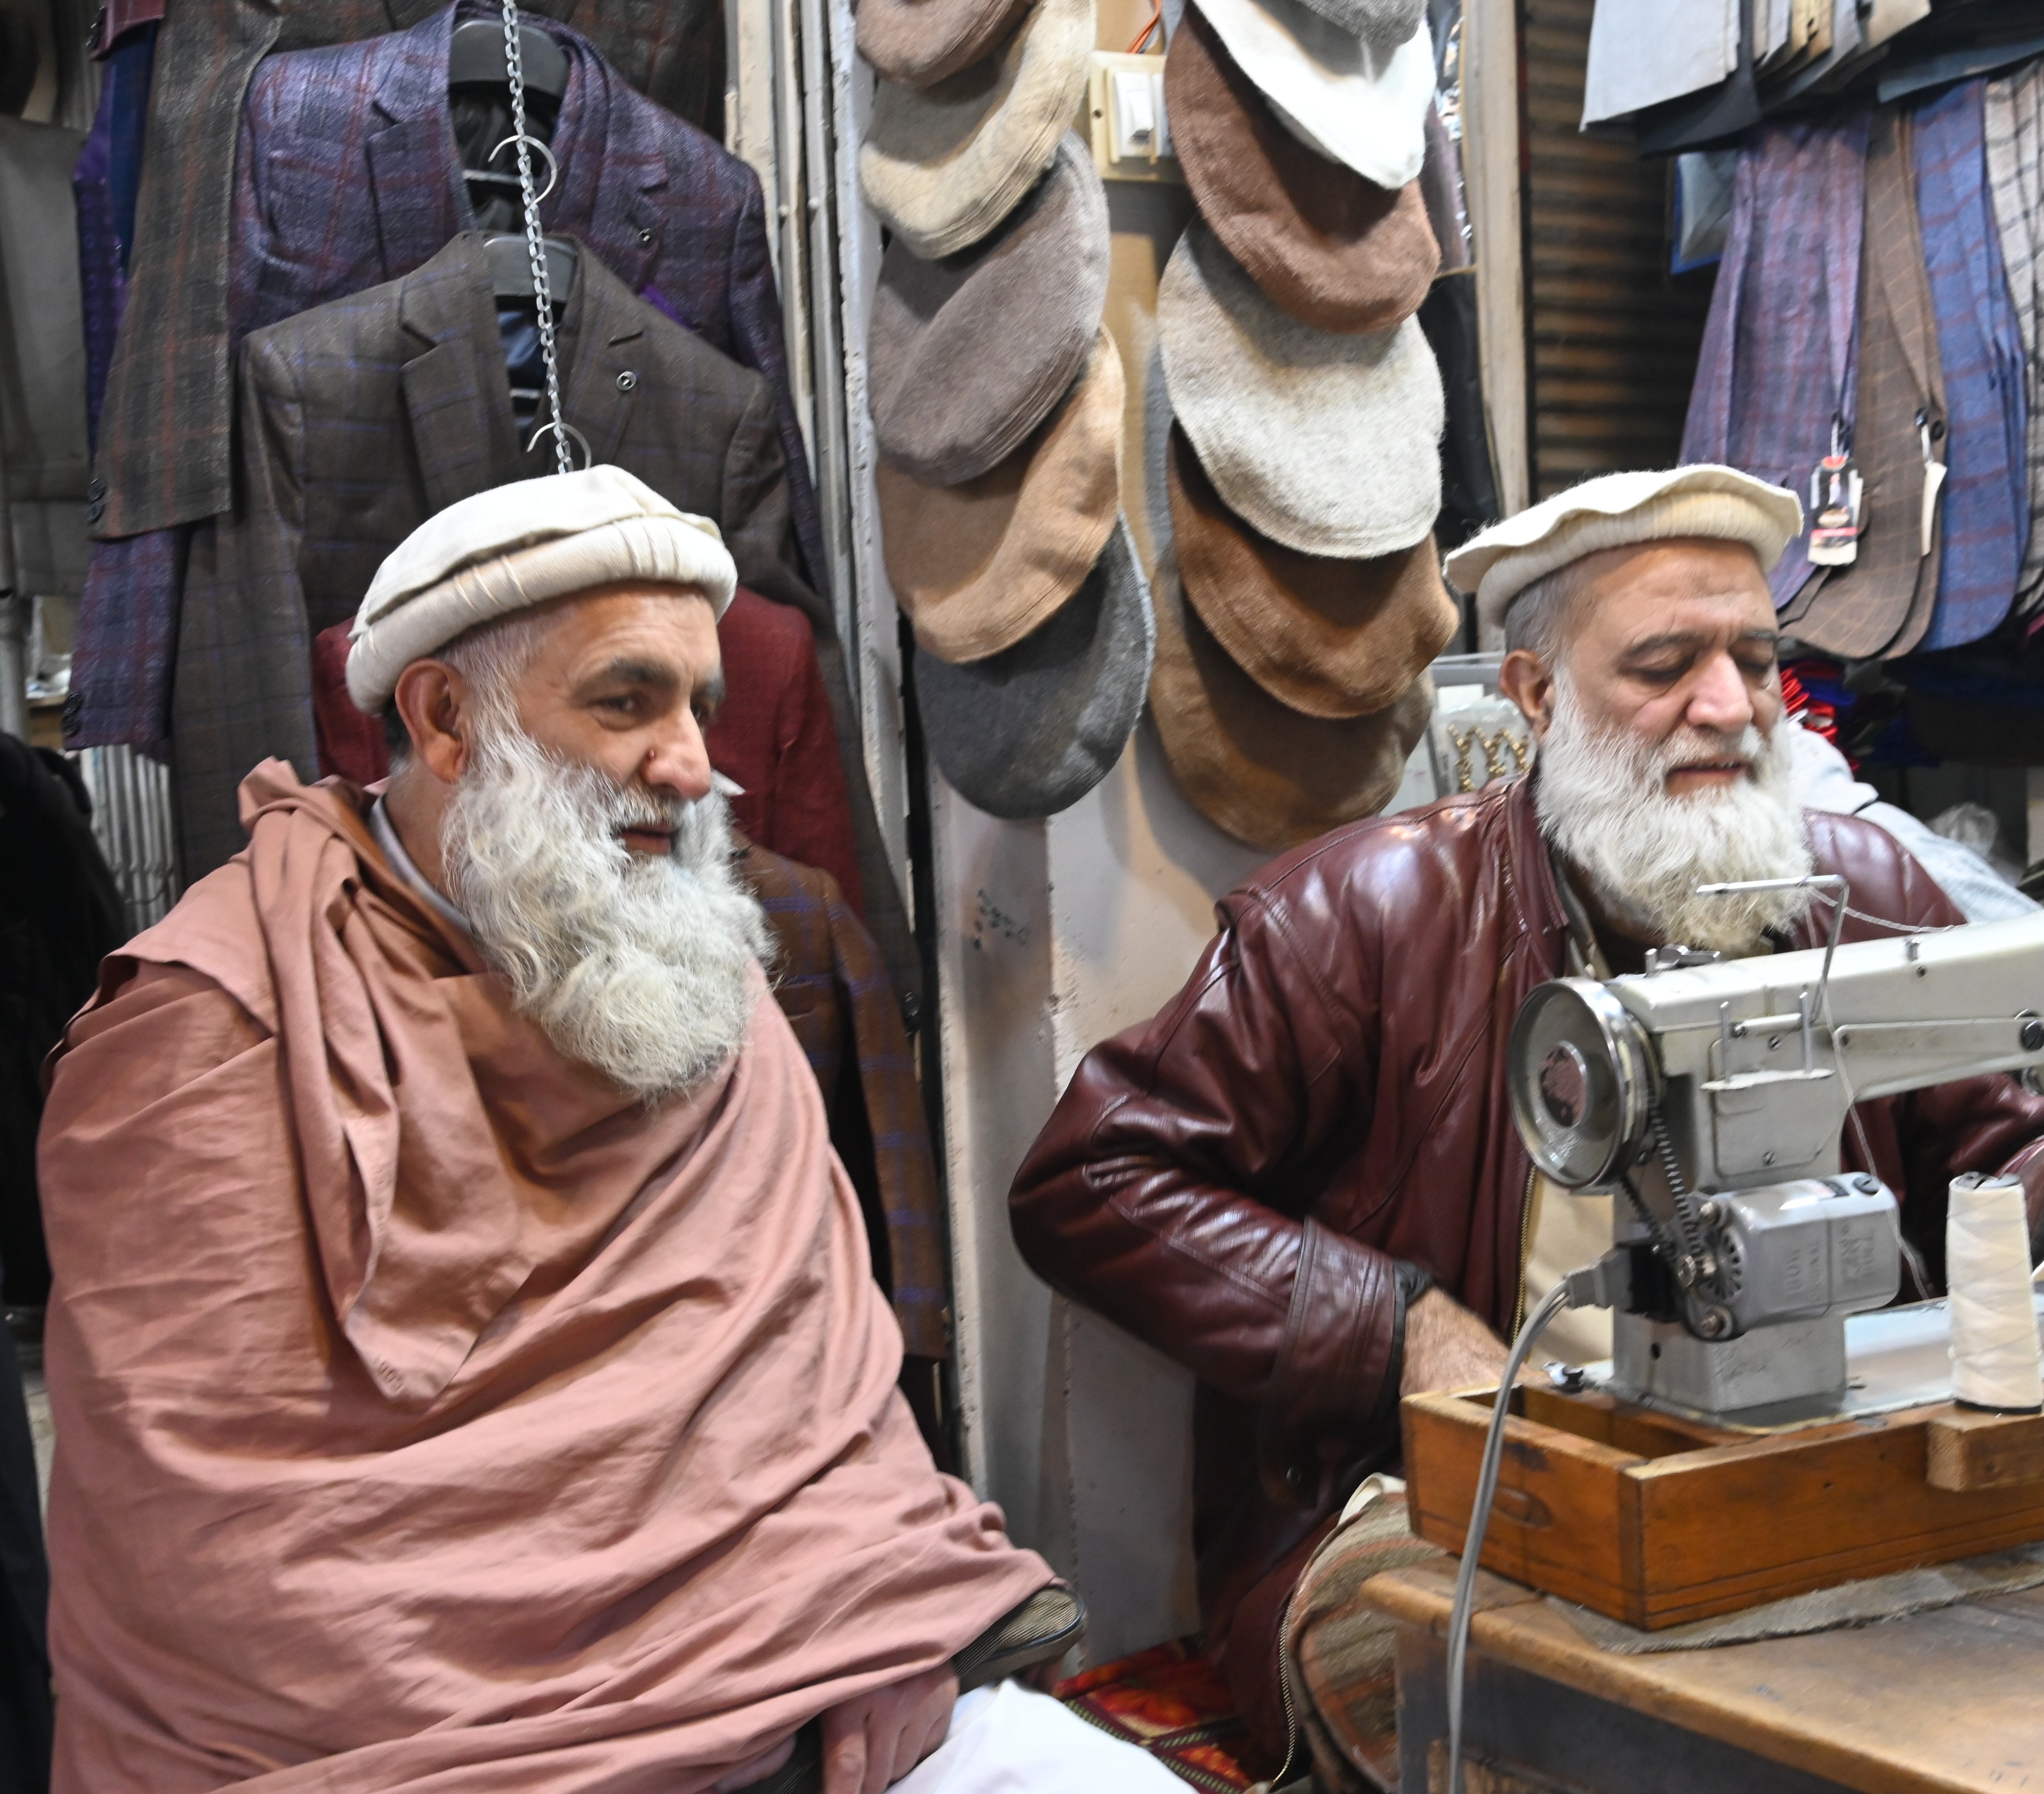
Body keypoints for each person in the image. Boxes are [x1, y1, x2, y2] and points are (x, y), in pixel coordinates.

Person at [1007, 465, 2044, 1777]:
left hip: (1810, 1464)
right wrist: (1396, 1329)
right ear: (1538, 697)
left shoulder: (1861, 895)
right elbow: (1091, 1183)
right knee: (1589, 1734)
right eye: (1666, 665)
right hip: (1430, 1498)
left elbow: (1988, 1156)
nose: (1728, 708)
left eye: (1756, 661)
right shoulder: (1362, 921)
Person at [37, 469, 1186, 1794]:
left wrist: (879, 1621)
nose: (694, 763)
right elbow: (227, 1564)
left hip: (809, 1690)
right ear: (447, 718)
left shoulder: (700, 977)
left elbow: (829, 1409)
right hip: (420, 1758)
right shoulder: (212, 1028)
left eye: (701, 704)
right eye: (626, 699)